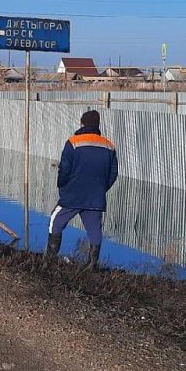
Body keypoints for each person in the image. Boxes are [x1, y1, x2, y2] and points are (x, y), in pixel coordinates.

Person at [45, 110, 118, 271]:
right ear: (98, 125)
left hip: (72, 195)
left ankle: (50, 259)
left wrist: (62, 185)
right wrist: (101, 188)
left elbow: (64, 168)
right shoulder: (109, 145)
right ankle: (92, 265)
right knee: (94, 230)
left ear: (82, 123)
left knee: (55, 222)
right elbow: (113, 173)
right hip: (95, 197)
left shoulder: (73, 142)